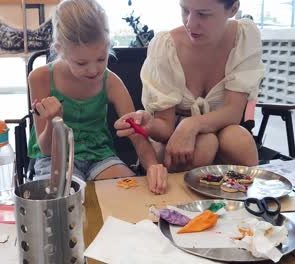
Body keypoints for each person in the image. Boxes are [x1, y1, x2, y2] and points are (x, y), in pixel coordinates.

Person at [27, 0, 168, 194]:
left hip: (99, 156)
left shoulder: (111, 82)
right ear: (60, 49)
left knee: (128, 192)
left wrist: (153, 165)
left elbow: (135, 133)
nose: (94, 70)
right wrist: (53, 121)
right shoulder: (40, 78)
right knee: (65, 198)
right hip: (55, 157)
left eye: (101, 58)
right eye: (82, 62)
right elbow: (47, 150)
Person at [115, 0, 264, 172]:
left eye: (204, 14)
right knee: (204, 145)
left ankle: (245, 196)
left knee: (239, 141)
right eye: (185, 10)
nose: (190, 23)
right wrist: (149, 125)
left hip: (223, 127)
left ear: (233, 9)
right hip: (174, 137)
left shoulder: (244, 36)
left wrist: (192, 125)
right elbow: (165, 127)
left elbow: (234, 112)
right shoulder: (166, 46)